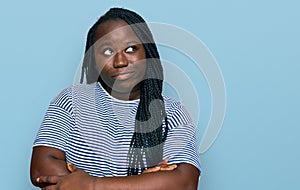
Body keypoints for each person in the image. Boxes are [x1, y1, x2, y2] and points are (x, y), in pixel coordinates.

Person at [30, 7, 201, 190]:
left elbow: (185, 183)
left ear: (147, 53)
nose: (120, 62)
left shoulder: (174, 113)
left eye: (130, 49)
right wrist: (140, 184)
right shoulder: (71, 101)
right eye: (107, 51)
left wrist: (92, 185)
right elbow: (41, 171)